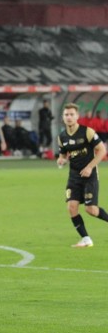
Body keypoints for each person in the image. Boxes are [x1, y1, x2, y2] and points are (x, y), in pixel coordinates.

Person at [57, 103, 108, 248]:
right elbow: (62, 156)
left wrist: (90, 167)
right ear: (63, 117)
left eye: (72, 114)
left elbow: (102, 150)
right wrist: (61, 160)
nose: (69, 117)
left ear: (77, 116)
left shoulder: (87, 132)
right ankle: (86, 239)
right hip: (74, 176)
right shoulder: (61, 137)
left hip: (89, 175)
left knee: (91, 209)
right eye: (66, 114)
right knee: (71, 208)